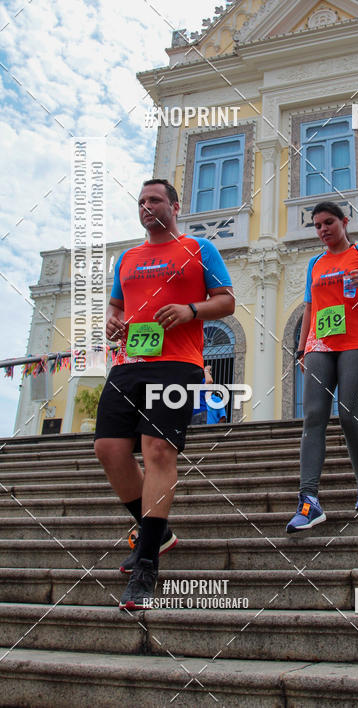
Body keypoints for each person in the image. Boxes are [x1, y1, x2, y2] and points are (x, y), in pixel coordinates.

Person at [94, 179, 235, 609]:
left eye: (155, 200)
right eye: (141, 201)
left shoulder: (200, 249)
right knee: (108, 449)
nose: (146, 206)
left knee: (157, 449)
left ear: (174, 206)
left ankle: (146, 566)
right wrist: (112, 321)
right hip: (129, 362)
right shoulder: (127, 258)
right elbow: (117, 306)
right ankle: (159, 532)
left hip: (178, 362)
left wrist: (191, 310)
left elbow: (226, 301)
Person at [286, 201, 358, 533]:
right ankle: (309, 502)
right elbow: (309, 307)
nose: (323, 230)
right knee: (313, 416)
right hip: (320, 344)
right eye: (317, 225)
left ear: (345, 222)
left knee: (349, 415)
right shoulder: (315, 263)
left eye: (329, 222)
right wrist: (302, 349)